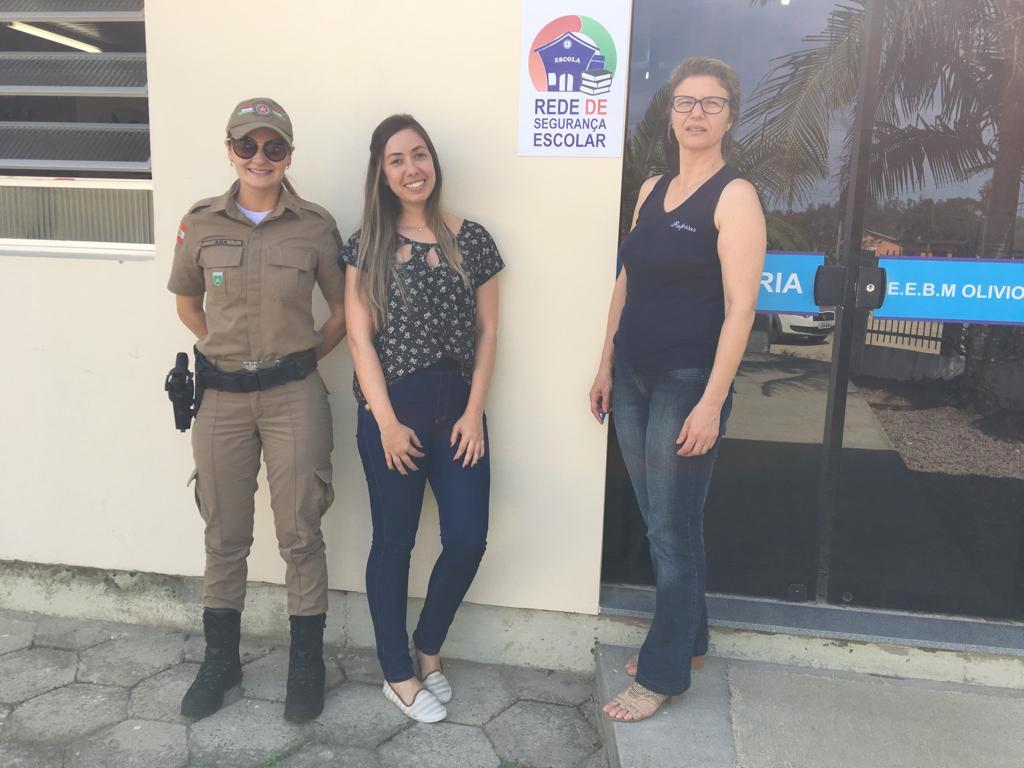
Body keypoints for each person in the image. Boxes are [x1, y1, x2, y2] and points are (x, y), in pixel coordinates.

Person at [589, 57, 766, 722]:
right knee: (668, 521)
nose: (696, 113)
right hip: (632, 374)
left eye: (711, 103)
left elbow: (741, 306)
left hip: (686, 382)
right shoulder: (651, 188)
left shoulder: (735, 196)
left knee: (670, 529)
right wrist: (605, 362)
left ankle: (663, 673)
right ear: (669, 113)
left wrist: (713, 402)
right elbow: (625, 280)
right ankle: (690, 640)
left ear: (729, 115)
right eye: (685, 102)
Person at [167, 97, 347, 723]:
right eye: (248, 146)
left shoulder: (316, 227)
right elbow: (189, 304)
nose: (260, 158)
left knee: (301, 530)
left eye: (274, 147)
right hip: (219, 398)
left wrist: (300, 358)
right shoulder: (200, 223)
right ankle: (221, 661)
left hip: (293, 396)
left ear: (289, 154)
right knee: (224, 534)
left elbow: (344, 311)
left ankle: (306, 662)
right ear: (230, 151)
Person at [343, 114, 502, 723]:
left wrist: (475, 412)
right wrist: (384, 422)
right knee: (394, 542)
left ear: (433, 161)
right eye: (396, 160)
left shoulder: (474, 239)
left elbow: (488, 332)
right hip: (393, 412)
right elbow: (359, 342)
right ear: (381, 174)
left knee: (466, 538)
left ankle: (427, 647)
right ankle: (396, 671)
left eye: (419, 155)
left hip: (457, 411)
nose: (411, 169)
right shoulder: (367, 244)